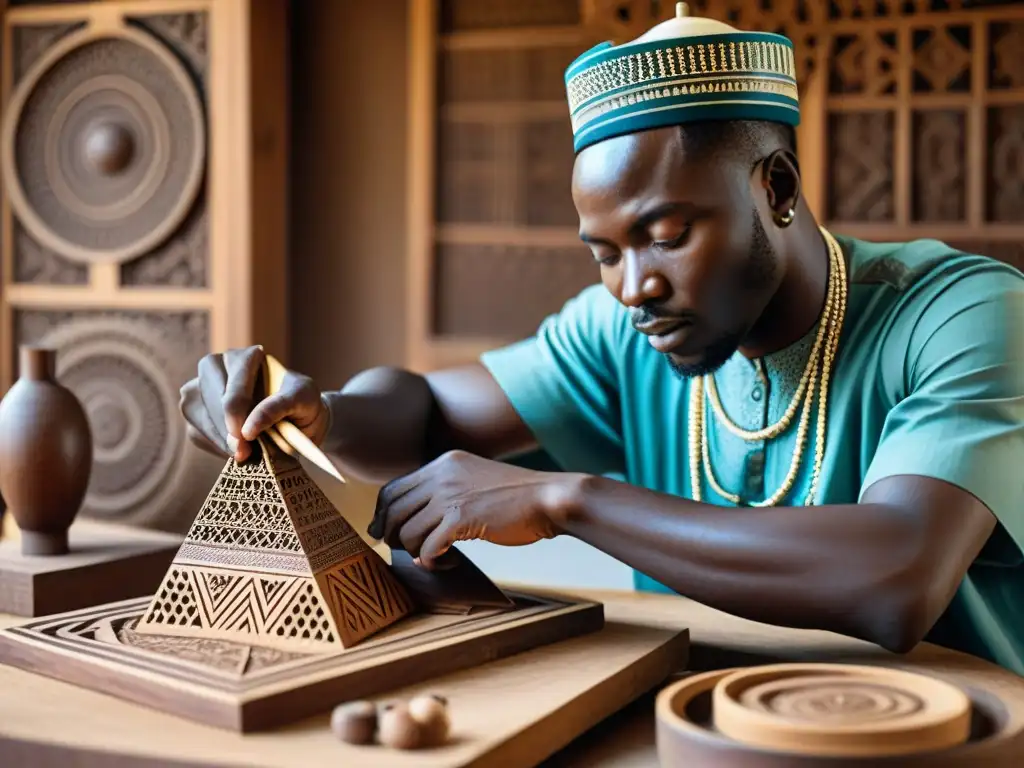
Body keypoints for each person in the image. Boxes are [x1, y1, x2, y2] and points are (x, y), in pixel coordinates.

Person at [181, 5, 1024, 675]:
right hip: (690, 734)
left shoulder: (964, 313)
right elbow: (432, 414)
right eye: (606, 253)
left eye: (666, 233)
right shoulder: (626, 332)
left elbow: (897, 576)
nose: (633, 286)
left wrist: (566, 502)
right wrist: (319, 412)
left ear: (778, 187)